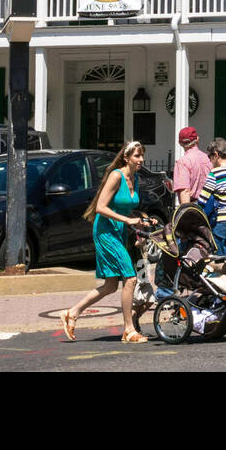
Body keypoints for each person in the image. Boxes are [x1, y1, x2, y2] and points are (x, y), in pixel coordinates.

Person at [60, 140, 154, 343]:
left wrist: (143, 219)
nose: (141, 159)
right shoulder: (116, 176)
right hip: (105, 231)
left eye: (142, 155)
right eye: (137, 156)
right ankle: (129, 330)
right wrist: (128, 220)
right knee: (130, 278)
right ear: (127, 158)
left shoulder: (134, 178)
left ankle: (72, 312)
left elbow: (126, 208)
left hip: (118, 230)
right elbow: (101, 207)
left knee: (111, 285)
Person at [196, 137, 226, 254]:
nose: (210, 161)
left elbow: (202, 200)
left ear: (216, 154)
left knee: (219, 258)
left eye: (209, 157)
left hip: (222, 222)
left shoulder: (215, 174)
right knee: (225, 250)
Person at [173, 126, 212, 205]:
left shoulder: (183, 162)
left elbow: (185, 191)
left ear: (180, 143)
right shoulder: (209, 159)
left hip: (193, 207)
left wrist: (186, 213)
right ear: (197, 139)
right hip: (210, 205)